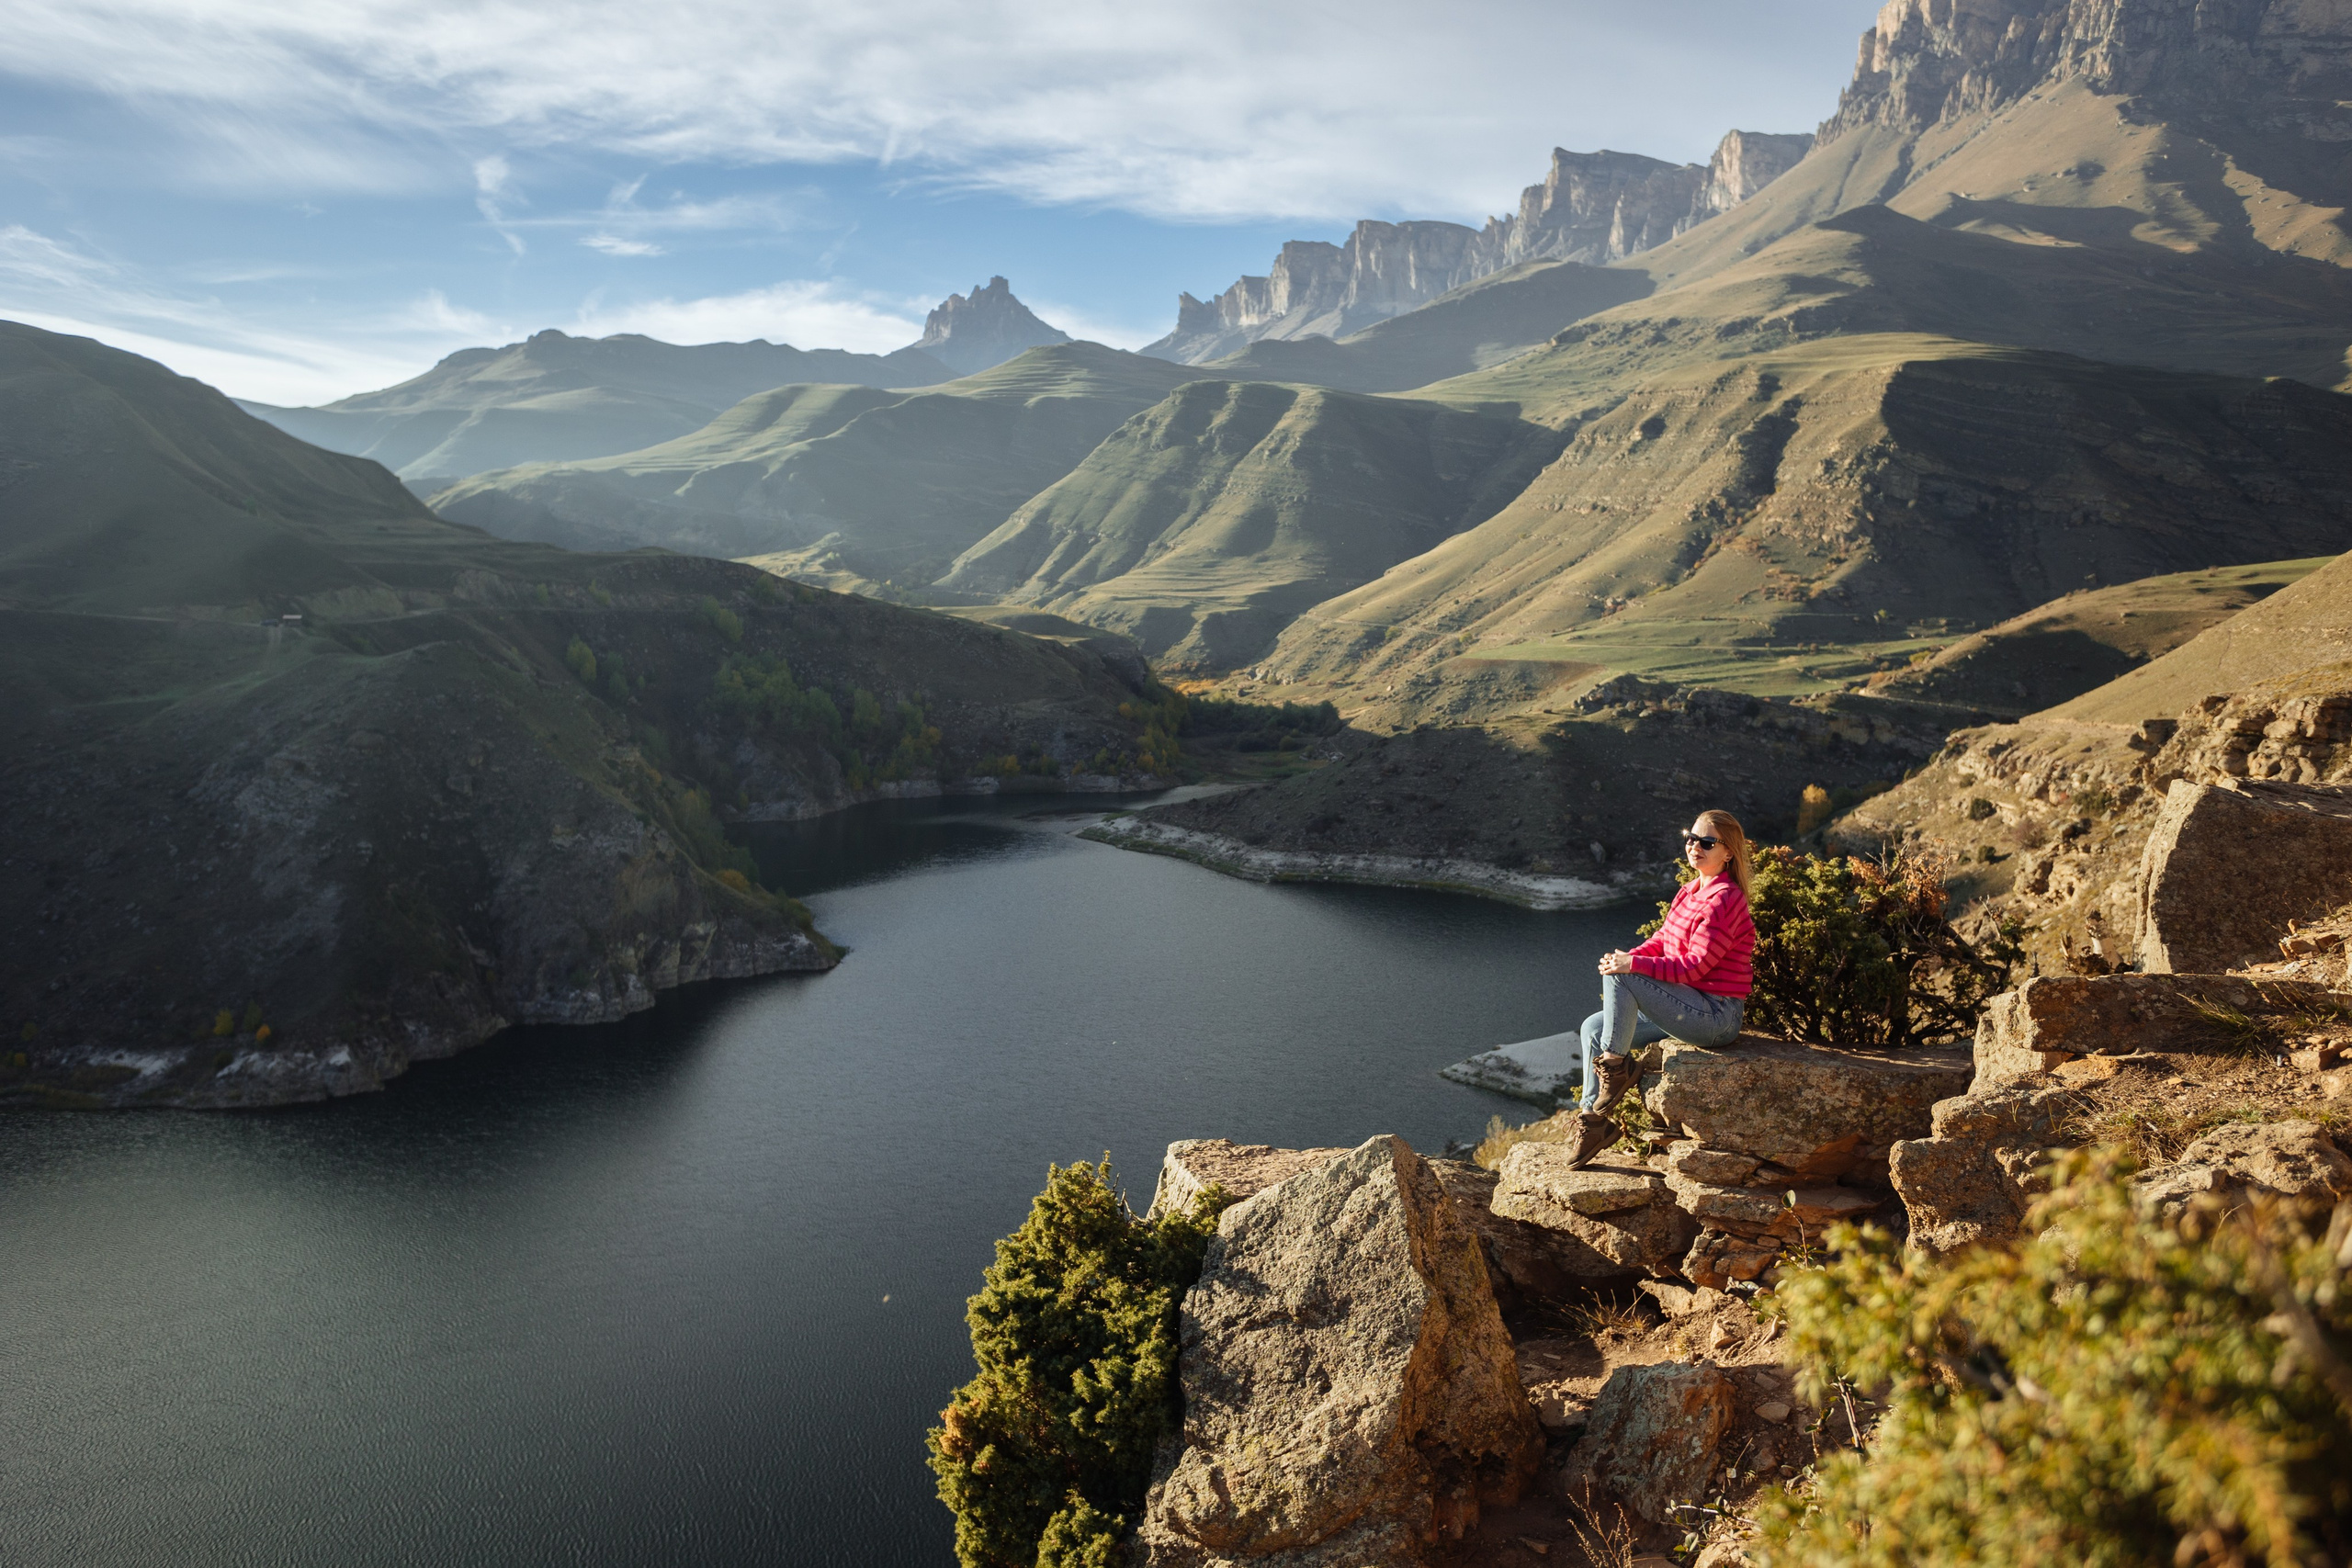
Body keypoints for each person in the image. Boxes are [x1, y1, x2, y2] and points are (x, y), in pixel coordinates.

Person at [1562, 809, 1757, 1168]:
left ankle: (1616, 1069)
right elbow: (1662, 941)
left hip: (1716, 1016)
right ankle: (1593, 1123)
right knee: (1593, 1028)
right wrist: (1628, 957)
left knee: (1624, 975)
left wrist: (1630, 968)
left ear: (1728, 852)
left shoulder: (1725, 899)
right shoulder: (1689, 891)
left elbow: (1695, 966)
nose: (1694, 846)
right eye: (1690, 838)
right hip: (1687, 1006)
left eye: (1706, 842)